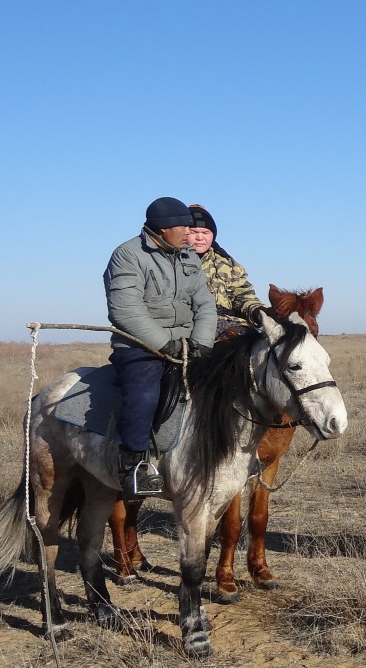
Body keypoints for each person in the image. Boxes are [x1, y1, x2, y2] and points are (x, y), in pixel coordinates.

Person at [104, 197, 217, 500]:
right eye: (184, 225)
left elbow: (205, 302)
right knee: (144, 393)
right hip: (141, 346)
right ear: (163, 228)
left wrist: (202, 342)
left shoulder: (188, 256)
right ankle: (133, 467)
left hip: (189, 344)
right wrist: (162, 344)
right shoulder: (127, 255)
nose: (189, 231)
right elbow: (125, 310)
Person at [185, 204, 268, 332]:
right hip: (194, 326)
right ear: (183, 233)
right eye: (194, 232)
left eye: (206, 232)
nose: (200, 237)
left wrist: (259, 312)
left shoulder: (228, 264)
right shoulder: (173, 262)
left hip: (233, 326)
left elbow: (243, 297)